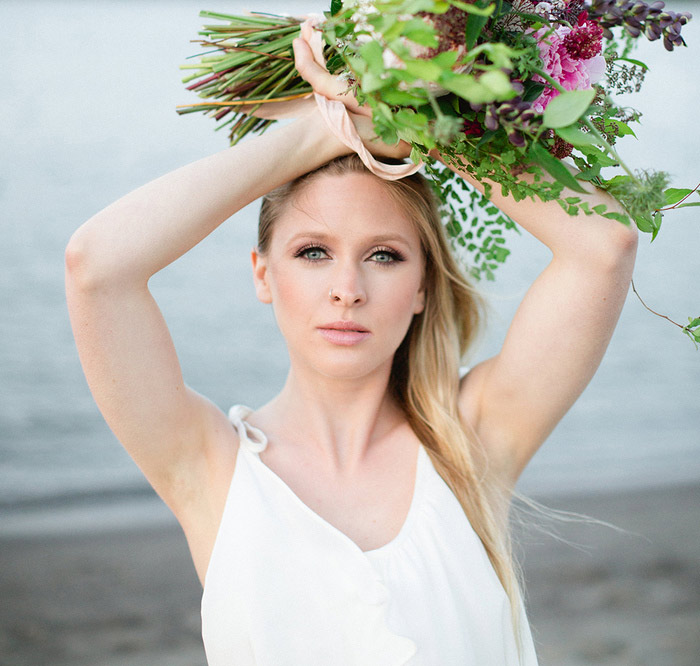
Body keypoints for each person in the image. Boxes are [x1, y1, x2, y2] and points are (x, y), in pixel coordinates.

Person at [65, 32, 638, 666]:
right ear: (263, 274)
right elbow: (97, 267)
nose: (347, 290)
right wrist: (326, 127)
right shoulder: (212, 468)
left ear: (422, 285)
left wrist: (427, 120)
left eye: (384, 256)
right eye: (313, 252)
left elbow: (604, 246)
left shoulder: (472, 439)